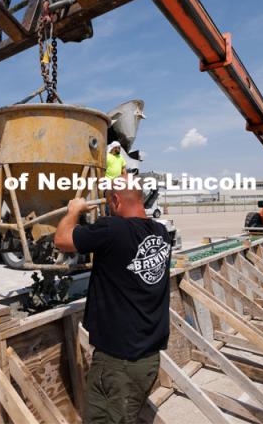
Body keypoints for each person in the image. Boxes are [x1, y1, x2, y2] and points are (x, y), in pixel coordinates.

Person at [54, 179, 171, 423]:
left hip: (119, 364)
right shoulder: (161, 234)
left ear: (116, 200)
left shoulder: (112, 229)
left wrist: (74, 210)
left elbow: (62, 239)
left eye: (109, 202)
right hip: (147, 358)